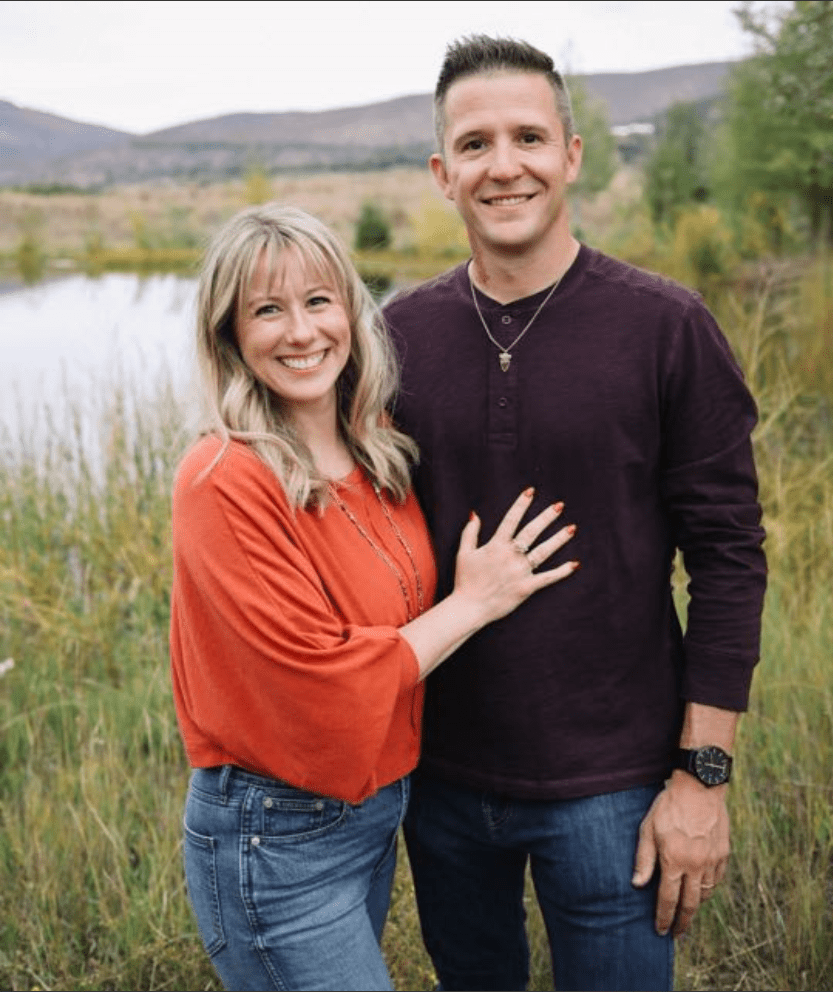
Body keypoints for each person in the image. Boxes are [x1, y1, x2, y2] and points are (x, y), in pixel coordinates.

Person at [383, 36, 767, 992]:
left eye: (528, 137)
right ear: (442, 172)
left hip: (618, 787)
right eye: (475, 144)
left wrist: (702, 778)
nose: (503, 165)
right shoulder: (392, 339)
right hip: (440, 781)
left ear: (573, 154)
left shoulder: (666, 327)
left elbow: (729, 558)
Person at [169, 203, 579, 992]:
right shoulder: (224, 479)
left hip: (370, 816)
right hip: (274, 835)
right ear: (229, 336)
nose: (300, 331)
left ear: (351, 313)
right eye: (266, 310)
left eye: (319, 301)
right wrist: (476, 601)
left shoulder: (375, 452)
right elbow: (322, 683)